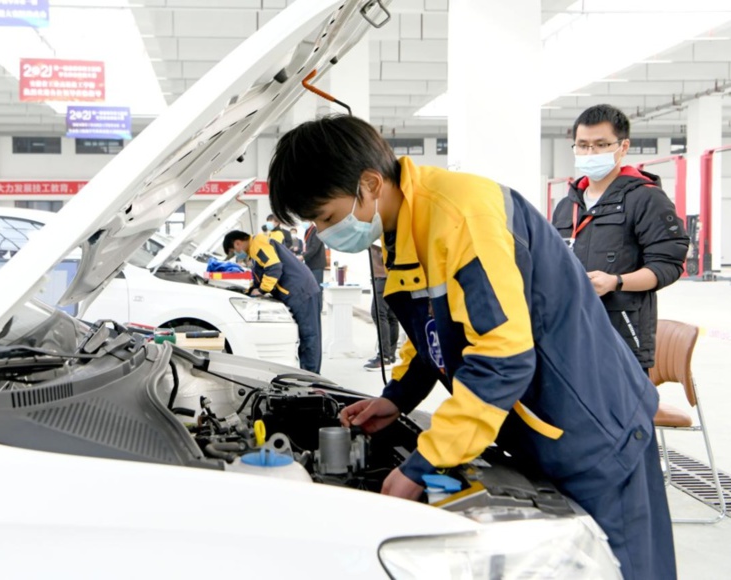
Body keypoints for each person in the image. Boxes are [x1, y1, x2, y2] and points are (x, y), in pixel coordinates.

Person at [267, 115, 675, 580]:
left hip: (596, 431)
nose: (325, 233)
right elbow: (434, 333)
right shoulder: (407, 228)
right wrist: (395, 397)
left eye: (327, 217)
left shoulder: (461, 216)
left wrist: (422, 465)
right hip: (537, 425)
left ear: (369, 184)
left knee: (621, 570)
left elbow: (503, 357)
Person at [553, 104, 689, 374]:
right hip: (569, 336)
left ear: (623, 147)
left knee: (619, 416)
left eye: (601, 145)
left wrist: (616, 282)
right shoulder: (567, 205)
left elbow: (668, 265)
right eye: (582, 145)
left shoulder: (646, 198)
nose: (590, 153)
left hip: (622, 338)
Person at [223, 230, 322, 373]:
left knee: (309, 336)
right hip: (297, 290)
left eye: (234, 251)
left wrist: (262, 290)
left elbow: (274, 266)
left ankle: (313, 380)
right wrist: (251, 290)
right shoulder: (255, 251)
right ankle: (307, 375)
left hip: (301, 290)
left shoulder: (257, 242)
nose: (237, 254)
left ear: (237, 243)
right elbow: (260, 274)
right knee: (305, 337)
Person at [364, 243, 399, 371]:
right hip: (386, 276)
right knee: (390, 316)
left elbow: (384, 247)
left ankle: (384, 357)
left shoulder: (379, 231)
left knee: (379, 314)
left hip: (384, 276)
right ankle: (389, 355)